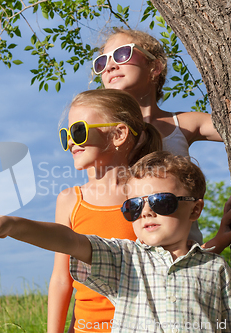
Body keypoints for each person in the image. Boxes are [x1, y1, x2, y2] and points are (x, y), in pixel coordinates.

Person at [0, 151, 231, 333]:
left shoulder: (216, 269)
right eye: (134, 206)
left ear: (195, 208)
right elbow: (71, 240)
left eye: (161, 201)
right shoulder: (126, 259)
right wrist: (14, 225)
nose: (146, 211)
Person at [92, 28, 231, 245]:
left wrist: (218, 240)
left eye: (122, 54)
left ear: (155, 67)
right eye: (101, 62)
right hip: (129, 263)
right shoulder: (104, 135)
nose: (110, 65)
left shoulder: (185, 123)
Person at [50, 89, 162, 332]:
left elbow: (168, 259)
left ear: (119, 134)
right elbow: (61, 278)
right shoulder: (70, 200)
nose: (70, 141)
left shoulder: (145, 195)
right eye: (66, 134)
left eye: (79, 131)